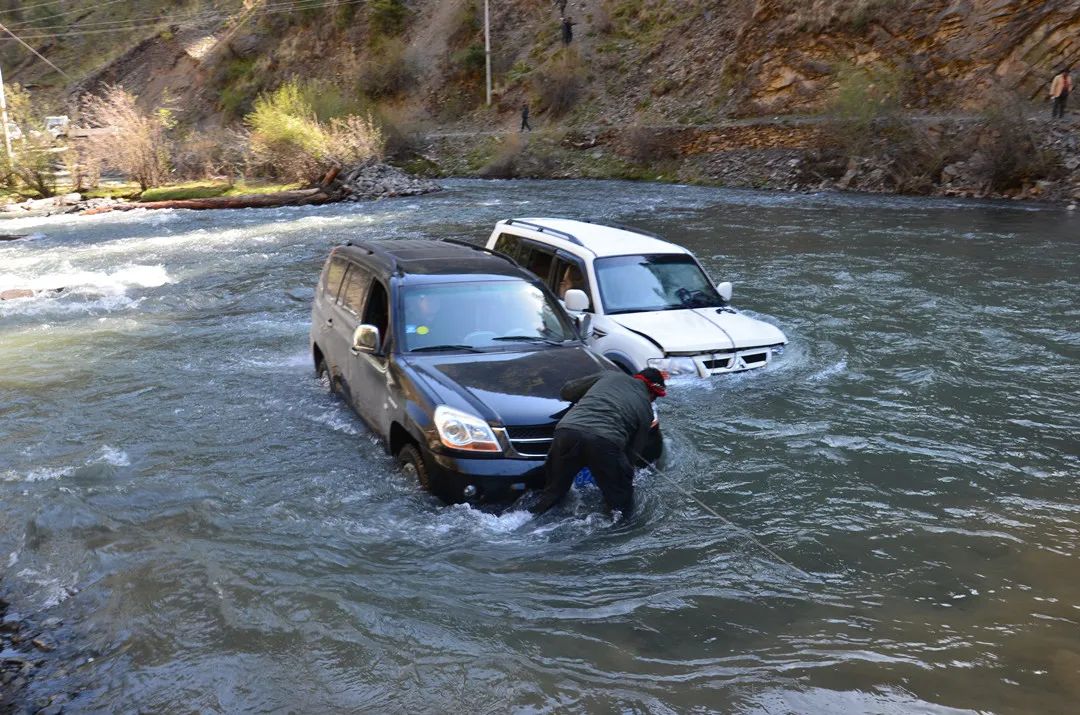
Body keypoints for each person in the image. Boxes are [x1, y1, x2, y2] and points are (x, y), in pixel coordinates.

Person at [527, 368, 667, 519]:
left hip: (566, 431)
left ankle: (529, 518)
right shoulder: (646, 410)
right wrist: (619, 474)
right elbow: (633, 454)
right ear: (652, 393)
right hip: (605, 441)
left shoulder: (610, 375)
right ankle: (619, 531)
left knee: (553, 492)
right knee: (621, 504)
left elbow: (567, 391)